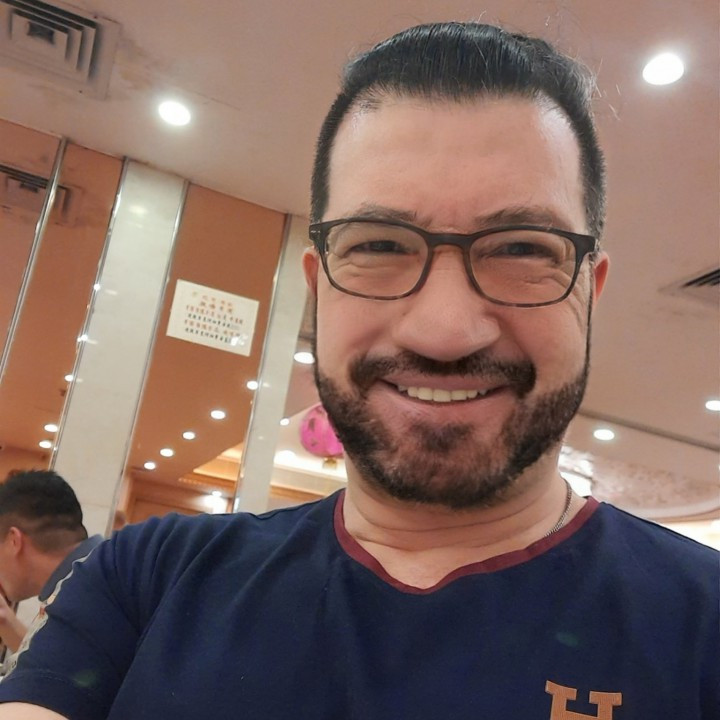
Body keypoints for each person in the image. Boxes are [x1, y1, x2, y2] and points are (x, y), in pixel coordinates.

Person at [0, 22, 716, 720]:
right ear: (319, 285)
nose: (444, 329)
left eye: (523, 249)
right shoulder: (146, 581)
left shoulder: (703, 627)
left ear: (589, 291)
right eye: (378, 245)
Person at [0, 470, 103, 655]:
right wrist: (4, 619)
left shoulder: (89, 600)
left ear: (14, 541)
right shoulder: (86, 582)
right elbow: (59, 661)